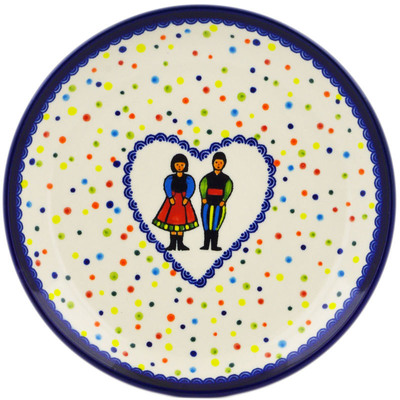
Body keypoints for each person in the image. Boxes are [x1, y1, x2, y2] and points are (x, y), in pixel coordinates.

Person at [153, 154, 198, 251]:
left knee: (182, 222)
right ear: (173, 165)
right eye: (177, 165)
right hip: (172, 201)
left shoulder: (188, 178)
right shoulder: (170, 178)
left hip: (183, 201)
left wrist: (187, 198)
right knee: (172, 222)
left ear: (185, 165)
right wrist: (170, 197)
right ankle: (172, 244)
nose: (179, 167)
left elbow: (191, 187)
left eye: (182, 165)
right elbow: (167, 187)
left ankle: (180, 244)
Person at [199, 152, 233, 251]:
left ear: (224, 164)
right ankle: (206, 245)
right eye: (216, 162)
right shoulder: (207, 177)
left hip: (219, 204)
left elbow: (228, 189)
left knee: (216, 224)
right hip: (207, 203)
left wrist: (224, 200)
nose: (218, 164)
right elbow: (203, 186)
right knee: (206, 223)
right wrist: (203, 197)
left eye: (220, 163)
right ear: (213, 163)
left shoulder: (226, 179)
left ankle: (214, 245)